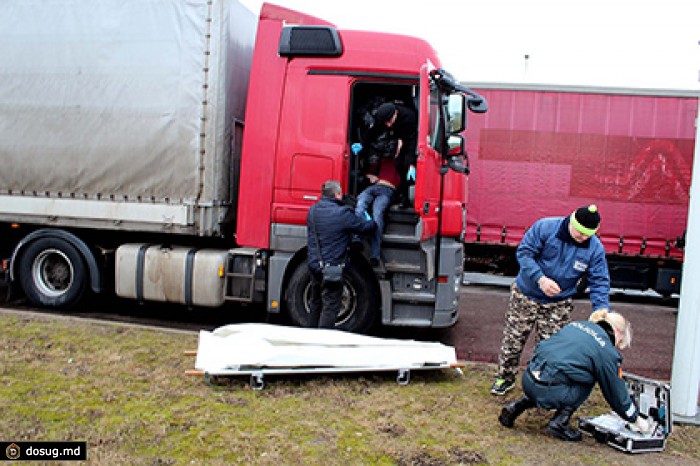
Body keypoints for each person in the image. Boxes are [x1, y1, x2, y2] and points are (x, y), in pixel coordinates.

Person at [490, 205, 611, 396]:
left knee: (551, 348)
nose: (583, 238)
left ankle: (538, 383)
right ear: (571, 222)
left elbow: (600, 280)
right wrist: (541, 279)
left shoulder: (594, 248)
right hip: (526, 295)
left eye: (588, 235)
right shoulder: (545, 228)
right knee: (513, 340)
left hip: (558, 303)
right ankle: (505, 377)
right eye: (580, 233)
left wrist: (601, 309)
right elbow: (525, 253)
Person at [498, 309, 652, 441]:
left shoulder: (576, 325)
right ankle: (560, 422)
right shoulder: (605, 351)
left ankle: (515, 407)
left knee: (556, 373)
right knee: (587, 378)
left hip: (529, 379)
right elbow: (615, 391)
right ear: (618, 332)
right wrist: (635, 418)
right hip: (551, 390)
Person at [307, 180, 376, 329]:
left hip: (314, 265)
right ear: (338, 194)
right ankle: (322, 341)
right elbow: (365, 227)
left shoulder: (312, 211)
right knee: (330, 305)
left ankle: (310, 336)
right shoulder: (343, 213)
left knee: (315, 302)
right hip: (333, 267)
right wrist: (370, 217)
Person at [353, 140, 402, 267]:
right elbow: (367, 172)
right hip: (375, 186)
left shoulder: (401, 162)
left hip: (388, 190)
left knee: (377, 214)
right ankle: (357, 238)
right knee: (360, 204)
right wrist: (370, 176)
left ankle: (375, 255)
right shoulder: (383, 161)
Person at [374, 102, 418, 207]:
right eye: (386, 122)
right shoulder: (383, 117)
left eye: (390, 121)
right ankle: (401, 192)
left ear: (396, 114)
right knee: (398, 163)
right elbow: (374, 130)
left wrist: (411, 164)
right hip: (399, 138)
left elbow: (412, 141)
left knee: (405, 165)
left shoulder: (409, 117)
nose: (388, 124)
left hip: (410, 139)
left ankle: (405, 198)